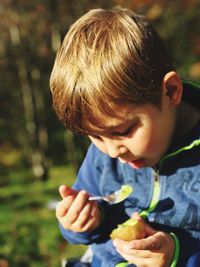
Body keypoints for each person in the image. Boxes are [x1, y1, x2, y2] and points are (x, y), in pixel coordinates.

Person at [49, 7, 200, 267]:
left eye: (123, 131)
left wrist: (179, 255)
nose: (111, 151)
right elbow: (94, 212)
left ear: (171, 91)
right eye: (95, 137)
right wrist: (82, 223)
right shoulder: (103, 155)